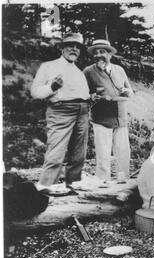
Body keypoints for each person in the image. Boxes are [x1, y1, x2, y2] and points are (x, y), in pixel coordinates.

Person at [31, 33, 90, 195]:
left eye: (78, 47)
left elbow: (82, 93)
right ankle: (46, 185)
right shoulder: (48, 66)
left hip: (82, 110)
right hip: (60, 110)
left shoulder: (78, 71)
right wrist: (52, 87)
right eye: (70, 45)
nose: (74, 49)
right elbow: (35, 92)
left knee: (79, 151)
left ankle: (74, 182)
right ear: (62, 48)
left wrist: (90, 98)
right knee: (57, 148)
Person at [83, 39, 133, 184]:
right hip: (101, 118)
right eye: (96, 52)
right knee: (103, 153)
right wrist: (92, 96)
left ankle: (123, 181)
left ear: (110, 54)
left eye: (102, 52)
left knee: (123, 151)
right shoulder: (88, 71)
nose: (99, 55)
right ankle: (102, 183)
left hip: (120, 116)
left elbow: (130, 91)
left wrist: (126, 91)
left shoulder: (119, 70)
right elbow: (82, 94)